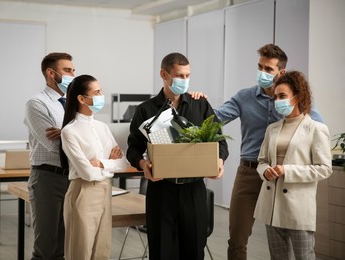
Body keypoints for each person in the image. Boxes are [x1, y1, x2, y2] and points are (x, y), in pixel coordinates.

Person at [212, 44, 323, 260]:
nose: (262, 73)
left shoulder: (294, 99)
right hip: (250, 172)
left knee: (290, 241)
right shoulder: (244, 97)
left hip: (283, 176)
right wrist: (196, 102)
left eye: (268, 69)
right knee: (237, 238)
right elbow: (215, 118)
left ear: (281, 72)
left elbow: (316, 129)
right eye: (260, 67)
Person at [127, 52, 229, 260]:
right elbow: (133, 148)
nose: (185, 81)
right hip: (161, 190)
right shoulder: (145, 110)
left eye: (187, 76)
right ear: (163, 74)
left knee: (194, 250)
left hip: (194, 190)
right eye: (179, 76)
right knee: (161, 251)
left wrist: (219, 161)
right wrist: (142, 164)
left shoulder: (200, 105)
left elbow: (221, 142)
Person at [254, 71, 332, 259]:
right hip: (271, 206)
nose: (277, 101)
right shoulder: (272, 129)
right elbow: (262, 161)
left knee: (304, 256)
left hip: (298, 208)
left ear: (298, 97)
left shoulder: (316, 129)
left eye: (282, 96)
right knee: (277, 257)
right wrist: (266, 172)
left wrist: (286, 171)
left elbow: (324, 168)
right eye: (275, 97)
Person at [60, 74, 129, 260]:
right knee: (80, 252)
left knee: (102, 251)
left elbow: (123, 164)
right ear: (82, 99)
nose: (101, 96)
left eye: (101, 92)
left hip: (106, 190)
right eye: (96, 92)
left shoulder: (102, 127)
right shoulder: (69, 131)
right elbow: (87, 173)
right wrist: (109, 164)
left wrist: (101, 163)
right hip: (83, 192)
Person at [24, 52, 75, 260]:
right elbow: (54, 144)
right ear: (51, 73)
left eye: (73, 70)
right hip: (48, 178)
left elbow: (86, 137)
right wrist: (70, 135)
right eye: (68, 70)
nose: (73, 74)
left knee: (64, 246)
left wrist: (65, 132)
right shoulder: (36, 103)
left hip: (72, 176)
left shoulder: (73, 103)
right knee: (45, 247)